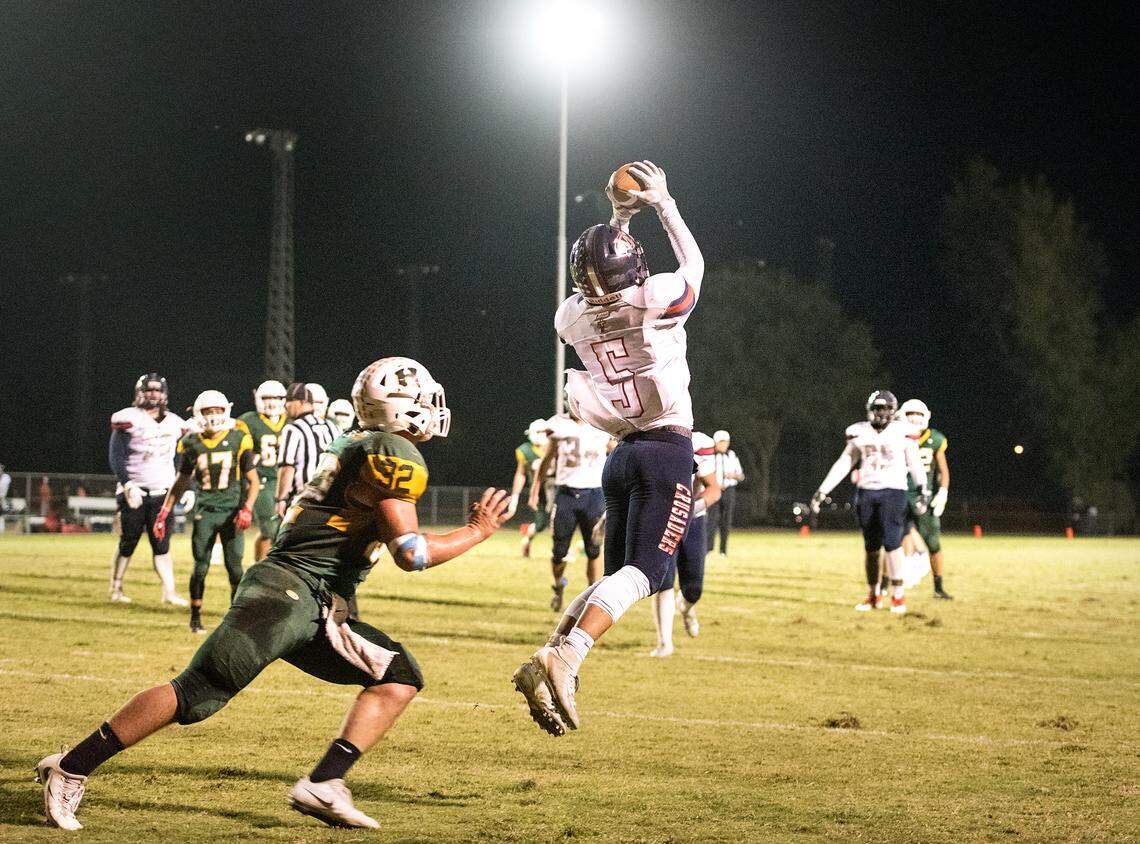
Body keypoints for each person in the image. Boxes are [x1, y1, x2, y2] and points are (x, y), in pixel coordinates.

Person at [35, 356, 512, 831]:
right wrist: (477, 531)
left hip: (316, 600)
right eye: (423, 398)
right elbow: (410, 552)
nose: (432, 407)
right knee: (197, 690)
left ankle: (324, 783)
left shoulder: (358, 442)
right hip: (288, 591)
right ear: (401, 406)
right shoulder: (392, 452)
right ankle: (71, 767)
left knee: (397, 675)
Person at [512, 160, 704, 736]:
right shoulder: (654, 300)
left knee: (616, 575)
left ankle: (548, 653)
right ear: (632, 268)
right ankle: (567, 658)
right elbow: (693, 267)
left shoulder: (570, 317)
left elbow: (601, 281)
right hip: (665, 447)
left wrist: (618, 219)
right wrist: (663, 204)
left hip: (619, 455)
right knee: (647, 573)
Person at [810, 390, 928, 614]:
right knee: (871, 547)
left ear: (893, 411)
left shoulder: (903, 432)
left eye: (885, 409)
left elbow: (914, 462)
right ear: (870, 410)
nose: (881, 413)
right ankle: (874, 594)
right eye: (877, 408)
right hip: (866, 492)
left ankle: (898, 596)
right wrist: (823, 489)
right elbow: (845, 462)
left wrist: (923, 487)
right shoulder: (859, 431)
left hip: (893, 490)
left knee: (893, 543)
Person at [156, 391, 260, 633]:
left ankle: (235, 620)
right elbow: (180, 481)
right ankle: (195, 618)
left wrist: (247, 508)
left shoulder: (238, 438)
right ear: (197, 414)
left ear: (226, 411)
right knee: (200, 567)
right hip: (205, 512)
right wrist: (164, 510)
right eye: (208, 411)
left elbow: (253, 481)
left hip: (232, 512)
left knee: (235, 568)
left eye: (217, 411)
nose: (213, 415)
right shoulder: (191, 442)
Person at [106, 373, 190, 606]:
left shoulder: (176, 423)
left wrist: (187, 487)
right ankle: (116, 587)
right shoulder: (129, 418)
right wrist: (127, 484)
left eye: (157, 390)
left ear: (164, 394)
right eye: (149, 389)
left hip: (163, 492)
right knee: (128, 541)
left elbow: (182, 459)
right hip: (135, 491)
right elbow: (116, 456)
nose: (153, 394)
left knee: (162, 544)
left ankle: (169, 591)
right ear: (140, 393)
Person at [529, 409, 610, 610]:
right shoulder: (558, 422)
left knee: (594, 549)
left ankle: (592, 601)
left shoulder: (601, 420)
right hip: (566, 494)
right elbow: (547, 458)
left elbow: (616, 448)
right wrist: (535, 489)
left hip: (594, 494)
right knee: (559, 551)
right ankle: (558, 586)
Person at [651, 431, 720, 657]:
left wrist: (691, 509)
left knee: (694, 589)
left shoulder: (698, 443)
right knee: (664, 581)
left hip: (693, 519)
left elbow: (714, 489)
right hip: (662, 517)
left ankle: (686, 607)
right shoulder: (649, 437)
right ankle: (664, 643)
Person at [898, 398, 953, 599]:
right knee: (898, 535)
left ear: (926, 417)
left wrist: (943, 492)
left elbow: (943, 470)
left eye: (918, 414)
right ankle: (890, 583)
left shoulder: (935, 439)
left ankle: (938, 587)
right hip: (899, 491)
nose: (914, 418)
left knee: (934, 542)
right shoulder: (896, 436)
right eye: (910, 413)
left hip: (923, 495)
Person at [238, 380, 288, 562]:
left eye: (276, 398)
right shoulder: (248, 421)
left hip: (286, 481)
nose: (271, 402)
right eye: (267, 398)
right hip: (263, 480)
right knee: (269, 528)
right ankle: (261, 566)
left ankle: (266, 566)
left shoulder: (290, 419)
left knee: (283, 529)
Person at [275, 383, 341, 518]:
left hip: (304, 500)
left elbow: (287, 468)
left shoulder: (293, 429)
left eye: (289, 401)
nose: (286, 406)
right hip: (333, 499)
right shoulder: (333, 427)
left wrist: (280, 499)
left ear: (302, 402)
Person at [504, 419, 552, 557]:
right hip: (539, 491)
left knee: (561, 518)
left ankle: (561, 550)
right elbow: (521, 474)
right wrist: (515, 497)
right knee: (541, 524)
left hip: (558, 487)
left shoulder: (555, 445)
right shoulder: (525, 450)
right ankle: (527, 538)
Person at [705, 430, 744, 556]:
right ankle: (708, 548)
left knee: (726, 520)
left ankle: (723, 550)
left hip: (729, 490)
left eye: (726, 442)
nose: (724, 445)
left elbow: (741, 476)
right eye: (721, 442)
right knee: (711, 519)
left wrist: (734, 475)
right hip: (714, 489)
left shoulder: (732, 455)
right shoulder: (710, 456)